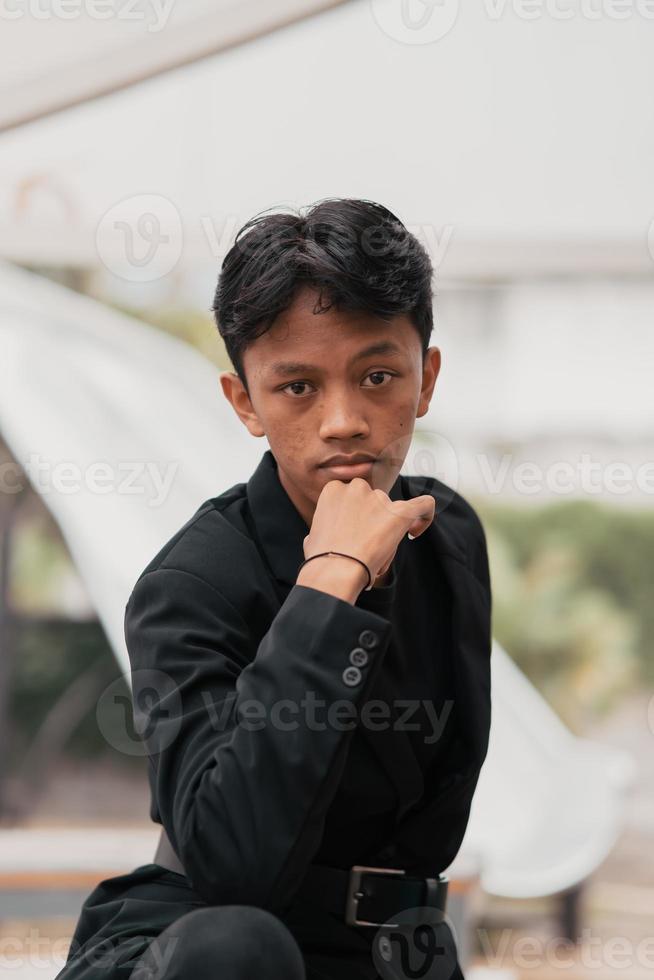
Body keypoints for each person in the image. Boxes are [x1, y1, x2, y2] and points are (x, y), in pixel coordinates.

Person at [56, 198, 492, 980]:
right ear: (244, 402)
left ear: (426, 379)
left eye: (378, 375)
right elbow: (233, 869)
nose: (344, 421)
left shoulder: (448, 534)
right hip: (205, 953)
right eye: (297, 388)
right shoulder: (190, 585)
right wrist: (328, 585)